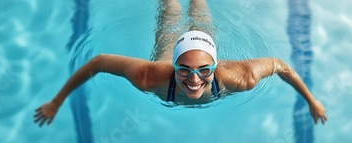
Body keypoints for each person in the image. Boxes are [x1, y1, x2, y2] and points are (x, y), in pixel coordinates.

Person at [33, 0, 327, 127]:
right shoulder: (150, 76)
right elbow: (97, 62)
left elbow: (280, 65)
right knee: (170, 13)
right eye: (184, 69)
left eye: (203, 70)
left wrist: (311, 101)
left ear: (214, 67)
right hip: (168, 47)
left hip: (204, 43)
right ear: (174, 67)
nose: (194, 80)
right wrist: (57, 102)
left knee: (200, 12)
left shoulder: (242, 77)